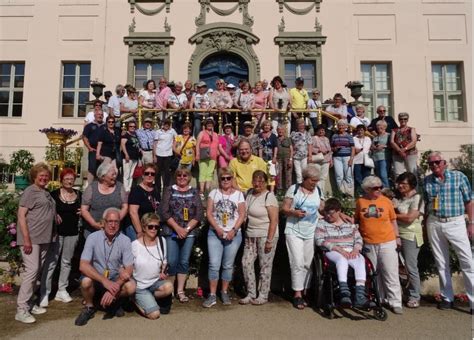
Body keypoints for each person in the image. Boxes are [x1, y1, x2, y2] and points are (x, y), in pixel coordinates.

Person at [423, 151, 473, 311]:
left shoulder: (459, 176)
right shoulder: (427, 181)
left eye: (437, 162)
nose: (434, 165)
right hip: (434, 222)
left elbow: (469, 201)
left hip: (455, 221)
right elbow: (426, 204)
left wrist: (471, 223)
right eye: (431, 163)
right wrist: (425, 225)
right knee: (441, 261)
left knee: (466, 260)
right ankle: (447, 297)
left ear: (444, 163)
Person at [74, 208, 136, 326]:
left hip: (114, 279)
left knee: (131, 286)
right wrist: (104, 281)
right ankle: (89, 307)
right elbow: (83, 266)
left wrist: (115, 287)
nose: (113, 225)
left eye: (116, 222)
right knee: (86, 282)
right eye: (109, 221)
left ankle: (113, 300)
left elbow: (129, 269)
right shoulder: (92, 238)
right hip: (97, 279)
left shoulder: (125, 240)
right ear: (103, 223)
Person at [355, 176, 403, 314]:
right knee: (373, 274)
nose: (379, 190)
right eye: (376, 188)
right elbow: (356, 220)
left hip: (387, 241)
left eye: (380, 187)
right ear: (367, 189)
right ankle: (378, 299)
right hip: (369, 242)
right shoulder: (360, 201)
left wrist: (397, 237)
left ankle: (395, 301)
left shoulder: (386, 201)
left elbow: (393, 221)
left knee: (390, 272)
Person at [15, 163, 56, 324]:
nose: (44, 178)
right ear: (34, 176)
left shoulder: (45, 192)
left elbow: (47, 209)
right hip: (31, 239)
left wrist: (55, 216)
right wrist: (26, 239)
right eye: (41, 175)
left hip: (44, 238)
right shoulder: (30, 191)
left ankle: (30, 304)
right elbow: (21, 216)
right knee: (31, 272)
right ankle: (21, 309)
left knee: (37, 272)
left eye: (46, 175)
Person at [281, 165, 324, 310]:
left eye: (316, 181)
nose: (314, 183)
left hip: (311, 231)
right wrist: (294, 213)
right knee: (297, 262)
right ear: (305, 179)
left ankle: (306, 290)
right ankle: (297, 293)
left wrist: (338, 214)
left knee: (307, 263)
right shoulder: (294, 189)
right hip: (294, 230)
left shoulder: (318, 190)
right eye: (312, 181)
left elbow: (322, 209)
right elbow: (284, 209)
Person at [203, 168, 246, 308]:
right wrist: (217, 228)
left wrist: (234, 230)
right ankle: (212, 294)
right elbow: (209, 213)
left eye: (228, 178)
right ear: (219, 180)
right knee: (214, 264)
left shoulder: (239, 195)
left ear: (232, 179)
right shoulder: (213, 193)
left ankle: (224, 291)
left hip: (233, 233)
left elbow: (241, 215)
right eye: (223, 178)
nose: (226, 181)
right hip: (215, 233)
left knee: (228, 264)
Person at [315, 198, 368, 308]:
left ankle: (360, 296)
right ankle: (344, 292)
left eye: (331, 214)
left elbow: (358, 238)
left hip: (350, 250)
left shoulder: (349, 224)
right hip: (333, 251)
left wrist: (356, 249)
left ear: (339, 211)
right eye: (326, 213)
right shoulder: (322, 223)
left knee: (360, 260)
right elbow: (319, 240)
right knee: (341, 260)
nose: (328, 216)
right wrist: (337, 249)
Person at [39, 168, 81, 308]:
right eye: (66, 178)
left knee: (66, 262)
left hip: (73, 233)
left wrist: (83, 211)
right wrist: (54, 214)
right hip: (57, 233)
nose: (69, 181)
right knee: (51, 263)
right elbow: (46, 209)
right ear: (61, 180)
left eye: (71, 179)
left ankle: (62, 290)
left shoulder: (79, 195)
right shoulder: (54, 195)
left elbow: (86, 209)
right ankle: (44, 292)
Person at [160, 168, 203, 303]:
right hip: (171, 230)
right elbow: (164, 211)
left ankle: (180, 291)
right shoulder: (169, 190)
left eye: (185, 175)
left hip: (189, 232)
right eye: (179, 175)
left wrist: (187, 229)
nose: (182, 177)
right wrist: (178, 228)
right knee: (172, 261)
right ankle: (169, 290)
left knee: (184, 262)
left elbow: (199, 213)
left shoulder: (194, 191)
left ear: (189, 177)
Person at [240, 170, 279, 305]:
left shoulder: (269, 196)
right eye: (255, 180)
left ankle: (263, 294)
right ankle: (251, 293)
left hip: (265, 234)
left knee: (265, 266)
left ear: (266, 182)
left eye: (261, 181)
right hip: (250, 235)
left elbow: (274, 220)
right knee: (246, 262)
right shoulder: (250, 193)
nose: (258, 184)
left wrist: (269, 240)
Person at [132, 213, 173, 319]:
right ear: (144, 228)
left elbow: (164, 261)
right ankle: (135, 301)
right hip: (140, 286)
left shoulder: (162, 241)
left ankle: (149, 300)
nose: (154, 229)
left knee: (169, 287)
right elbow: (128, 267)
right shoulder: (135, 245)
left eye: (156, 227)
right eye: (150, 226)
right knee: (155, 315)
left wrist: (163, 272)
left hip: (155, 283)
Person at [393, 172, 423, 308]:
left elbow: (410, 218)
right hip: (396, 234)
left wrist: (392, 214)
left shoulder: (418, 198)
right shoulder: (398, 198)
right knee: (397, 266)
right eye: (399, 183)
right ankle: (401, 292)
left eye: (403, 184)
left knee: (411, 266)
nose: (400, 186)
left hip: (411, 235)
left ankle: (415, 295)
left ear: (411, 185)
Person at [81, 162, 128, 238]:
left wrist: (116, 221)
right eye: (112, 174)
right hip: (94, 231)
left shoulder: (120, 186)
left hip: (114, 230)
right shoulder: (92, 187)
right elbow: (84, 210)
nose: (115, 176)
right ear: (103, 176)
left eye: (115, 174)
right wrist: (94, 224)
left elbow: (125, 207)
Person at [125, 163, 161, 241]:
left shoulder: (156, 190)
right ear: (143, 175)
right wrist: (140, 231)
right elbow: (133, 212)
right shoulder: (136, 190)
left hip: (150, 227)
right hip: (136, 227)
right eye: (147, 173)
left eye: (152, 174)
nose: (149, 175)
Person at [196, 118, 219, 197]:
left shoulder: (215, 134)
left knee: (209, 174)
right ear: (205, 125)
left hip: (213, 156)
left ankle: (207, 190)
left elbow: (217, 145)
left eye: (211, 123)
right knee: (203, 172)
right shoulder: (201, 133)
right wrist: (197, 154)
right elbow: (197, 144)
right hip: (203, 155)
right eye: (208, 123)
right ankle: (201, 191)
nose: (210, 124)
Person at [153, 118, 177, 194]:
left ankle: (166, 190)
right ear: (162, 124)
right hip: (159, 154)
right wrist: (154, 155)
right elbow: (155, 144)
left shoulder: (172, 131)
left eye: (168, 124)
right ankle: (157, 189)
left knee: (167, 173)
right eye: (165, 123)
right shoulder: (158, 132)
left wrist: (174, 146)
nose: (166, 125)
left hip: (168, 154)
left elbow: (177, 139)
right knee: (158, 172)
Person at [331, 119, 355, 196]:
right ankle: (342, 193)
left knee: (348, 176)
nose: (341, 127)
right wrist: (335, 148)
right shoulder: (334, 136)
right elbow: (331, 147)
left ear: (346, 126)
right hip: (337, 157)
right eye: (339, 125)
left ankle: (350, 194)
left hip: (347, 157)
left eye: (342, 125)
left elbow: (353, 148)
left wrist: (351, 159)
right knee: (339, 176)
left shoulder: (349, 136)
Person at [390, 112, 418, 177]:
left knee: (412, 172)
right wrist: (399, 151)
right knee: (398, 173)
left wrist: (405, 149)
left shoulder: (411, 129)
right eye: (401, 119)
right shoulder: (394, 130)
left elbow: (414, 141)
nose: (403, 120)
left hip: (410, 153)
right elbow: (392, 142)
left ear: (407, 120)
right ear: (399, 120)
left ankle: (414, 187)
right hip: (397, 153)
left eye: (405, 119)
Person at [83, 109, 104, 184]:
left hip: (103, 151)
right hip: (93, 150)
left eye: (101, 115)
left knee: (102, 170)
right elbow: (84, 137)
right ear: (95, 115)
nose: (100, 116)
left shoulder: (105, 126)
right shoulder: (89, 126)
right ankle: (90, 186)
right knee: (92, 169)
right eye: (98, 114)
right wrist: (89, 148)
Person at [121, 120, 141, 192]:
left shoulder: (135, 135)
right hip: (128, 157)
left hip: (135, 157)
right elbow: (123, 145)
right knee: (127, 174)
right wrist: (126, 154)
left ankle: (129, 188)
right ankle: (126, 189)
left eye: (134, 126)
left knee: (131, 174)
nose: (132, 127)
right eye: (131, 126)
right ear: (128, 127)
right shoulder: (125, 135)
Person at [291, 118, 313, 184]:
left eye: (302, 124)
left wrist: (310, 155)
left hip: (304, 156)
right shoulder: (293, 133)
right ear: (297, 125)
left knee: (304, 172)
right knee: (298, 173)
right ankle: (299, 187)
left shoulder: (307, 133)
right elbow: (291, 144)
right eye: (299, 124)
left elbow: (310, 144)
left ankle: (304, 186)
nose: (301, 125)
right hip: (296, 156)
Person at [353, 124, 372, 196]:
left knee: (366, 178)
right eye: (358, 130)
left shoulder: (368, 138)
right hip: (357, 161)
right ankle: (360, 194)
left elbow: (368, 148)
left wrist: (360, 149)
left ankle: (367, 193)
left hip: (366, 161)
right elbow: (353, 149)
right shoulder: (354, 138)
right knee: (358, 178)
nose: (360, 131)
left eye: (361, 130)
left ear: (364, 131)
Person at [311, 125, 332, 193]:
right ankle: (317, 192)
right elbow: (310, 148)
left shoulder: (326, 139)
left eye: (323, 130)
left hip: (326, 160)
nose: (321, 131)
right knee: (317, 177)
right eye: (320, 130)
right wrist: (319, 150)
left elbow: (329, 150)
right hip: (317, 160)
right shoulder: (314, 138)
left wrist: (331, 160)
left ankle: (321, 192)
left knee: (323, 178)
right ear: (317, 131)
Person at [371, 120, 391, 188]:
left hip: (384, 157)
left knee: (383, 175)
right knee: (378, 176)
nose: (379, 129)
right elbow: (372, 146)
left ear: (385, 127)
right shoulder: (375, 137)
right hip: (376, 158)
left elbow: (392, 145)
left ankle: (387, 190)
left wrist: (384, 146)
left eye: (381, 128)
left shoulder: (388, 135)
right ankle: (381, 191)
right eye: (378, 127)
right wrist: (373, 147)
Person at [276, 125, 293, 195]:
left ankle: (288, 191)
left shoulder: (288, 139)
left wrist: (291, 159)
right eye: (279, 130)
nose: (280, 131)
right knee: (278, 174)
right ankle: (279, 191)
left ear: (284, 131)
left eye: (282, 130)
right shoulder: (276, 139)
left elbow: (291, 150)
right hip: (278, 158)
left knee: (288, 174)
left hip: (287, 158)